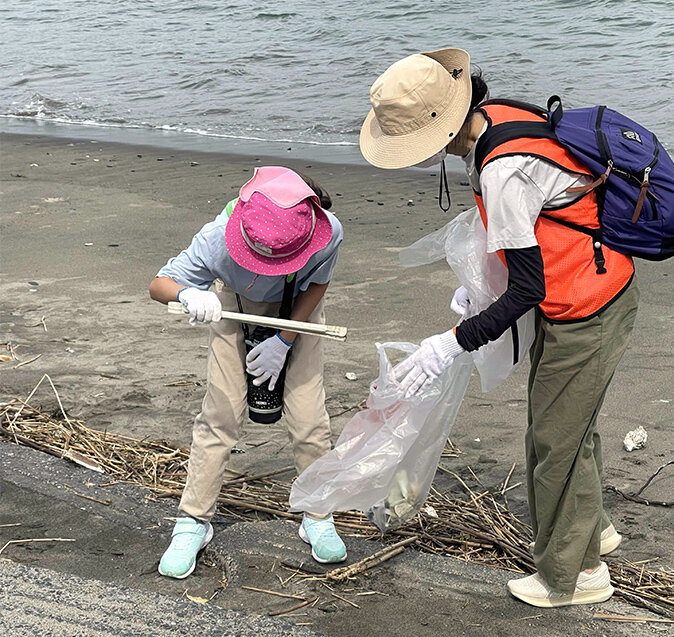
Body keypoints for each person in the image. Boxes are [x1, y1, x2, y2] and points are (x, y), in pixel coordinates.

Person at [359, 49, 639, 608]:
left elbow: (526, 291)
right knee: (566, 422)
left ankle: (575, 576)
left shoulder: (501, 170)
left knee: (554, 441)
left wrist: (452, 341)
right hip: (587, 284)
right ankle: (595, 526)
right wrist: (478, 288)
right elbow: (533, 233)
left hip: (587, 303)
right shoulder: (500, 116)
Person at [149, 166, 347, 579]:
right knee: (221, 414)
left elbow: (316, 285)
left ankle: (318, 515)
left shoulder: (327, 231)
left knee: (310, 417)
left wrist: (284, 341)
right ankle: (193, 521)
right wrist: (189, 294)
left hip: (297, 314)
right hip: (231, 306)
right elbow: (159, 285)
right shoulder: (217, 238)